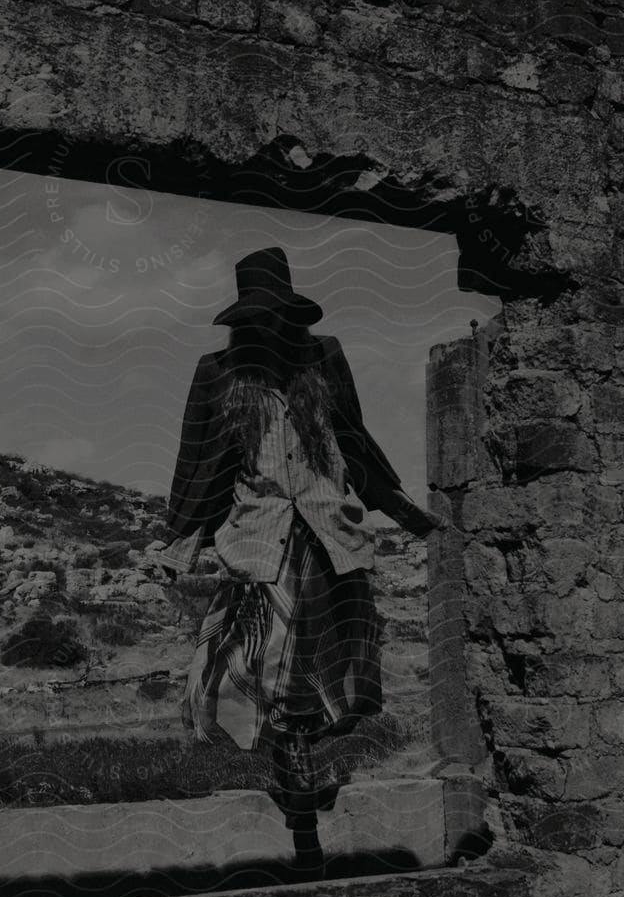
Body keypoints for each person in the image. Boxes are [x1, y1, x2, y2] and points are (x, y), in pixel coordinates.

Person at [158, 245, 448, 821]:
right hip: (259, 539)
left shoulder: (323, 360)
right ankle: (290, 757)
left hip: (325, 533)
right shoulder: (219, 374)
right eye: (256, 321)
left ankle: (301, 754)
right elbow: (199, 466)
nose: (267, 330)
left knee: (326, 668)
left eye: (276, 319)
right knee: (260, 657)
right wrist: (178, 548)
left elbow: (355, 440)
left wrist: (405, 512)